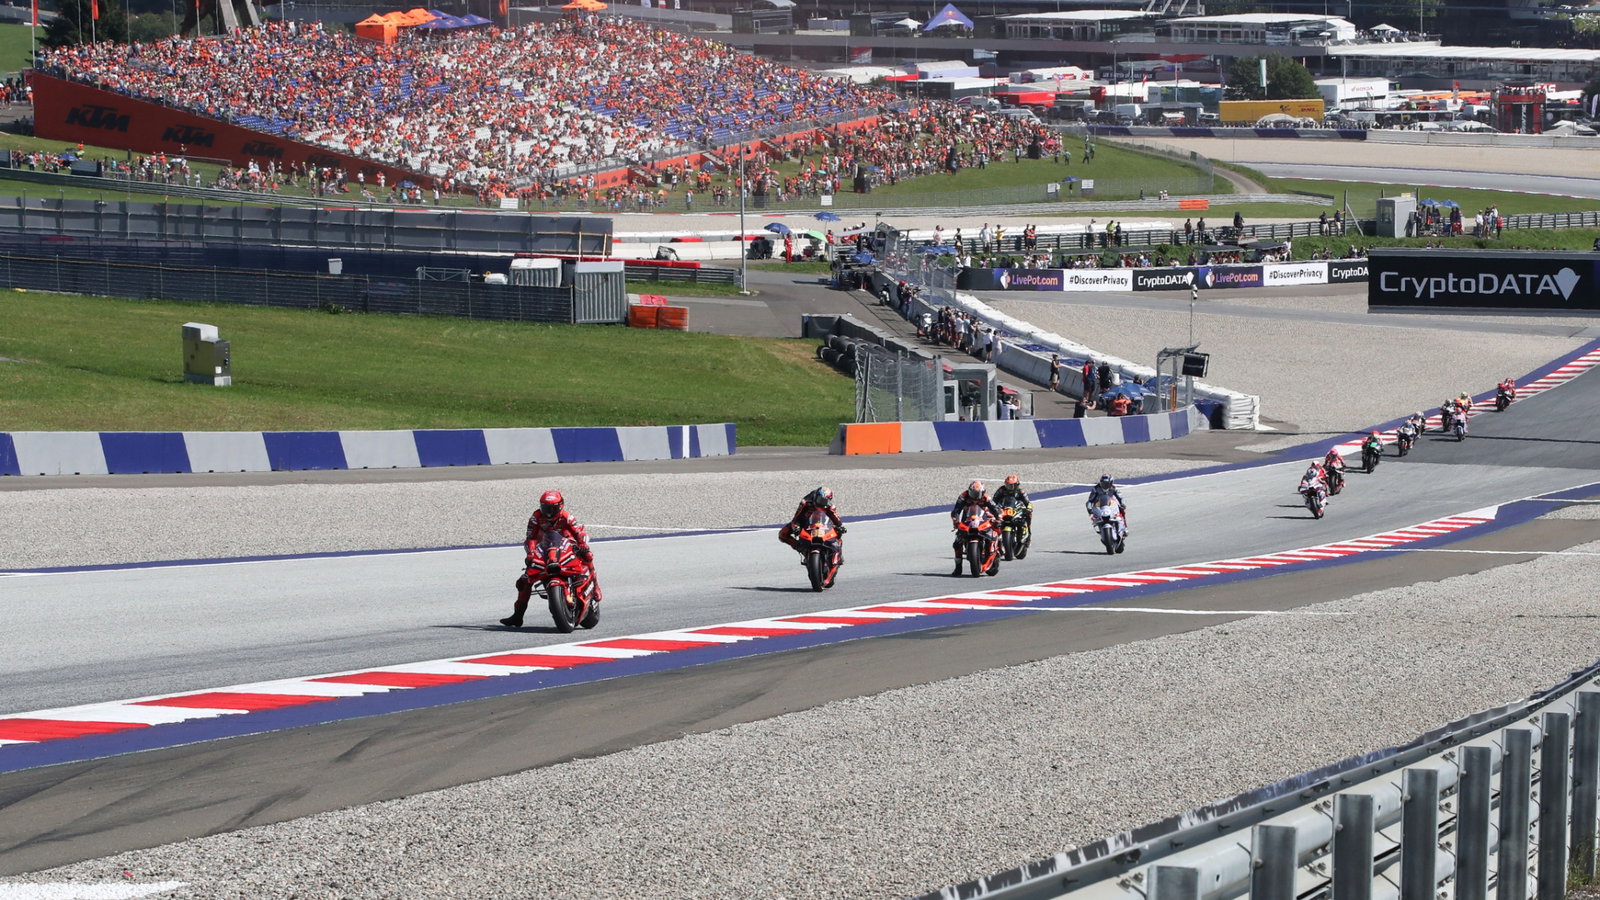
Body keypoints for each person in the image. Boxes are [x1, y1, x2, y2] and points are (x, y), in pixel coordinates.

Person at [502, 490, 601, 627]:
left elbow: (578, 533)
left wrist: (583, 546)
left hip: (567, 544)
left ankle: (595, 586)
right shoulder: (536, 517)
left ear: (560, 506)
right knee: (524, 581)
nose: (548, 512)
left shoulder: (567, 517)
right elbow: (531, 538)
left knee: (587, 556)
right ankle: (518, 616)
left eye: (552, 508)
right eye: (545, 507)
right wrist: (530, 553)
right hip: (546, 547)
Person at [780, 486, 847, 565]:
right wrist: (796, 525)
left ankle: (837, 551)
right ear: (816, 497)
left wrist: (840, 526)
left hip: (824, 523)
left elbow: (834, 516)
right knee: (783, 534)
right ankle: (802, 549)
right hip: (806, 521)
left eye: (825, 501)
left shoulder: (828, 506)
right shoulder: (806, 502)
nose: (821, 503)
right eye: (820, 500)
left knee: (838, 531)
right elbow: (797, 515)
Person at [950, 480, 1002, 575]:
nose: (975, 496)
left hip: (983, 520)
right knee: (957, 542)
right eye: (973, 493)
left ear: (982, 492)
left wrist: (998, 519)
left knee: (995, 531)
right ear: (969, 491)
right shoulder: (963, 496)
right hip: (967, 521)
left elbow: (996, 510)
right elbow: (956, 511)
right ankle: (958, 567)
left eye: (977, 493)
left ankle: (998, 547)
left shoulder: (987, 498)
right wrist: (956, 521)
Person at [993, 474, 1033, 541]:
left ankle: (1028, 532)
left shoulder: (1021, 492)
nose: (1010, 488)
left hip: (1016, 511)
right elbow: (994, 501)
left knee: (1029, 514)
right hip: (1004, 510)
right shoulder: (1001, 490)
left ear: (1017, 485)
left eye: (1012, 486)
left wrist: (1029, 509)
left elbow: (1028, 503)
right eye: (1008, 485)